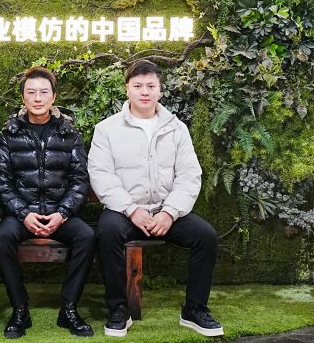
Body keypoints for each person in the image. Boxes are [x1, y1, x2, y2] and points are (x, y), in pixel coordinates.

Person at [88, 60, 223, 338]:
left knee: (206, 236)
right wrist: (130, 209)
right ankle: (118, 309)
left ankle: (195, 310)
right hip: (125, 212)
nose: (144, 92)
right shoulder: (106, 129)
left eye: (151, 86)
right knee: (107, 231)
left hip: (165, 212)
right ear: (127, 88)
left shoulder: (176, 128)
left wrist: (170, 212)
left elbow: (189, 175)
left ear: (160, 90)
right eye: (138, 86)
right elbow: (101, 175)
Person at [0, 67, 96, 338]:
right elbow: (2, 181)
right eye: (31, 92)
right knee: (2, 238)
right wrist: (23, 214)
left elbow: (79, 180)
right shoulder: (8, 135)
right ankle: (20, 309)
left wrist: (62, 213)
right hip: (22, 214)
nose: (37, 98)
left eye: (43, 92)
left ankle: (69, 308)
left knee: (86, 236)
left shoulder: (69, 133)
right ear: (23, 98)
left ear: (53, 97)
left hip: (59, 213)